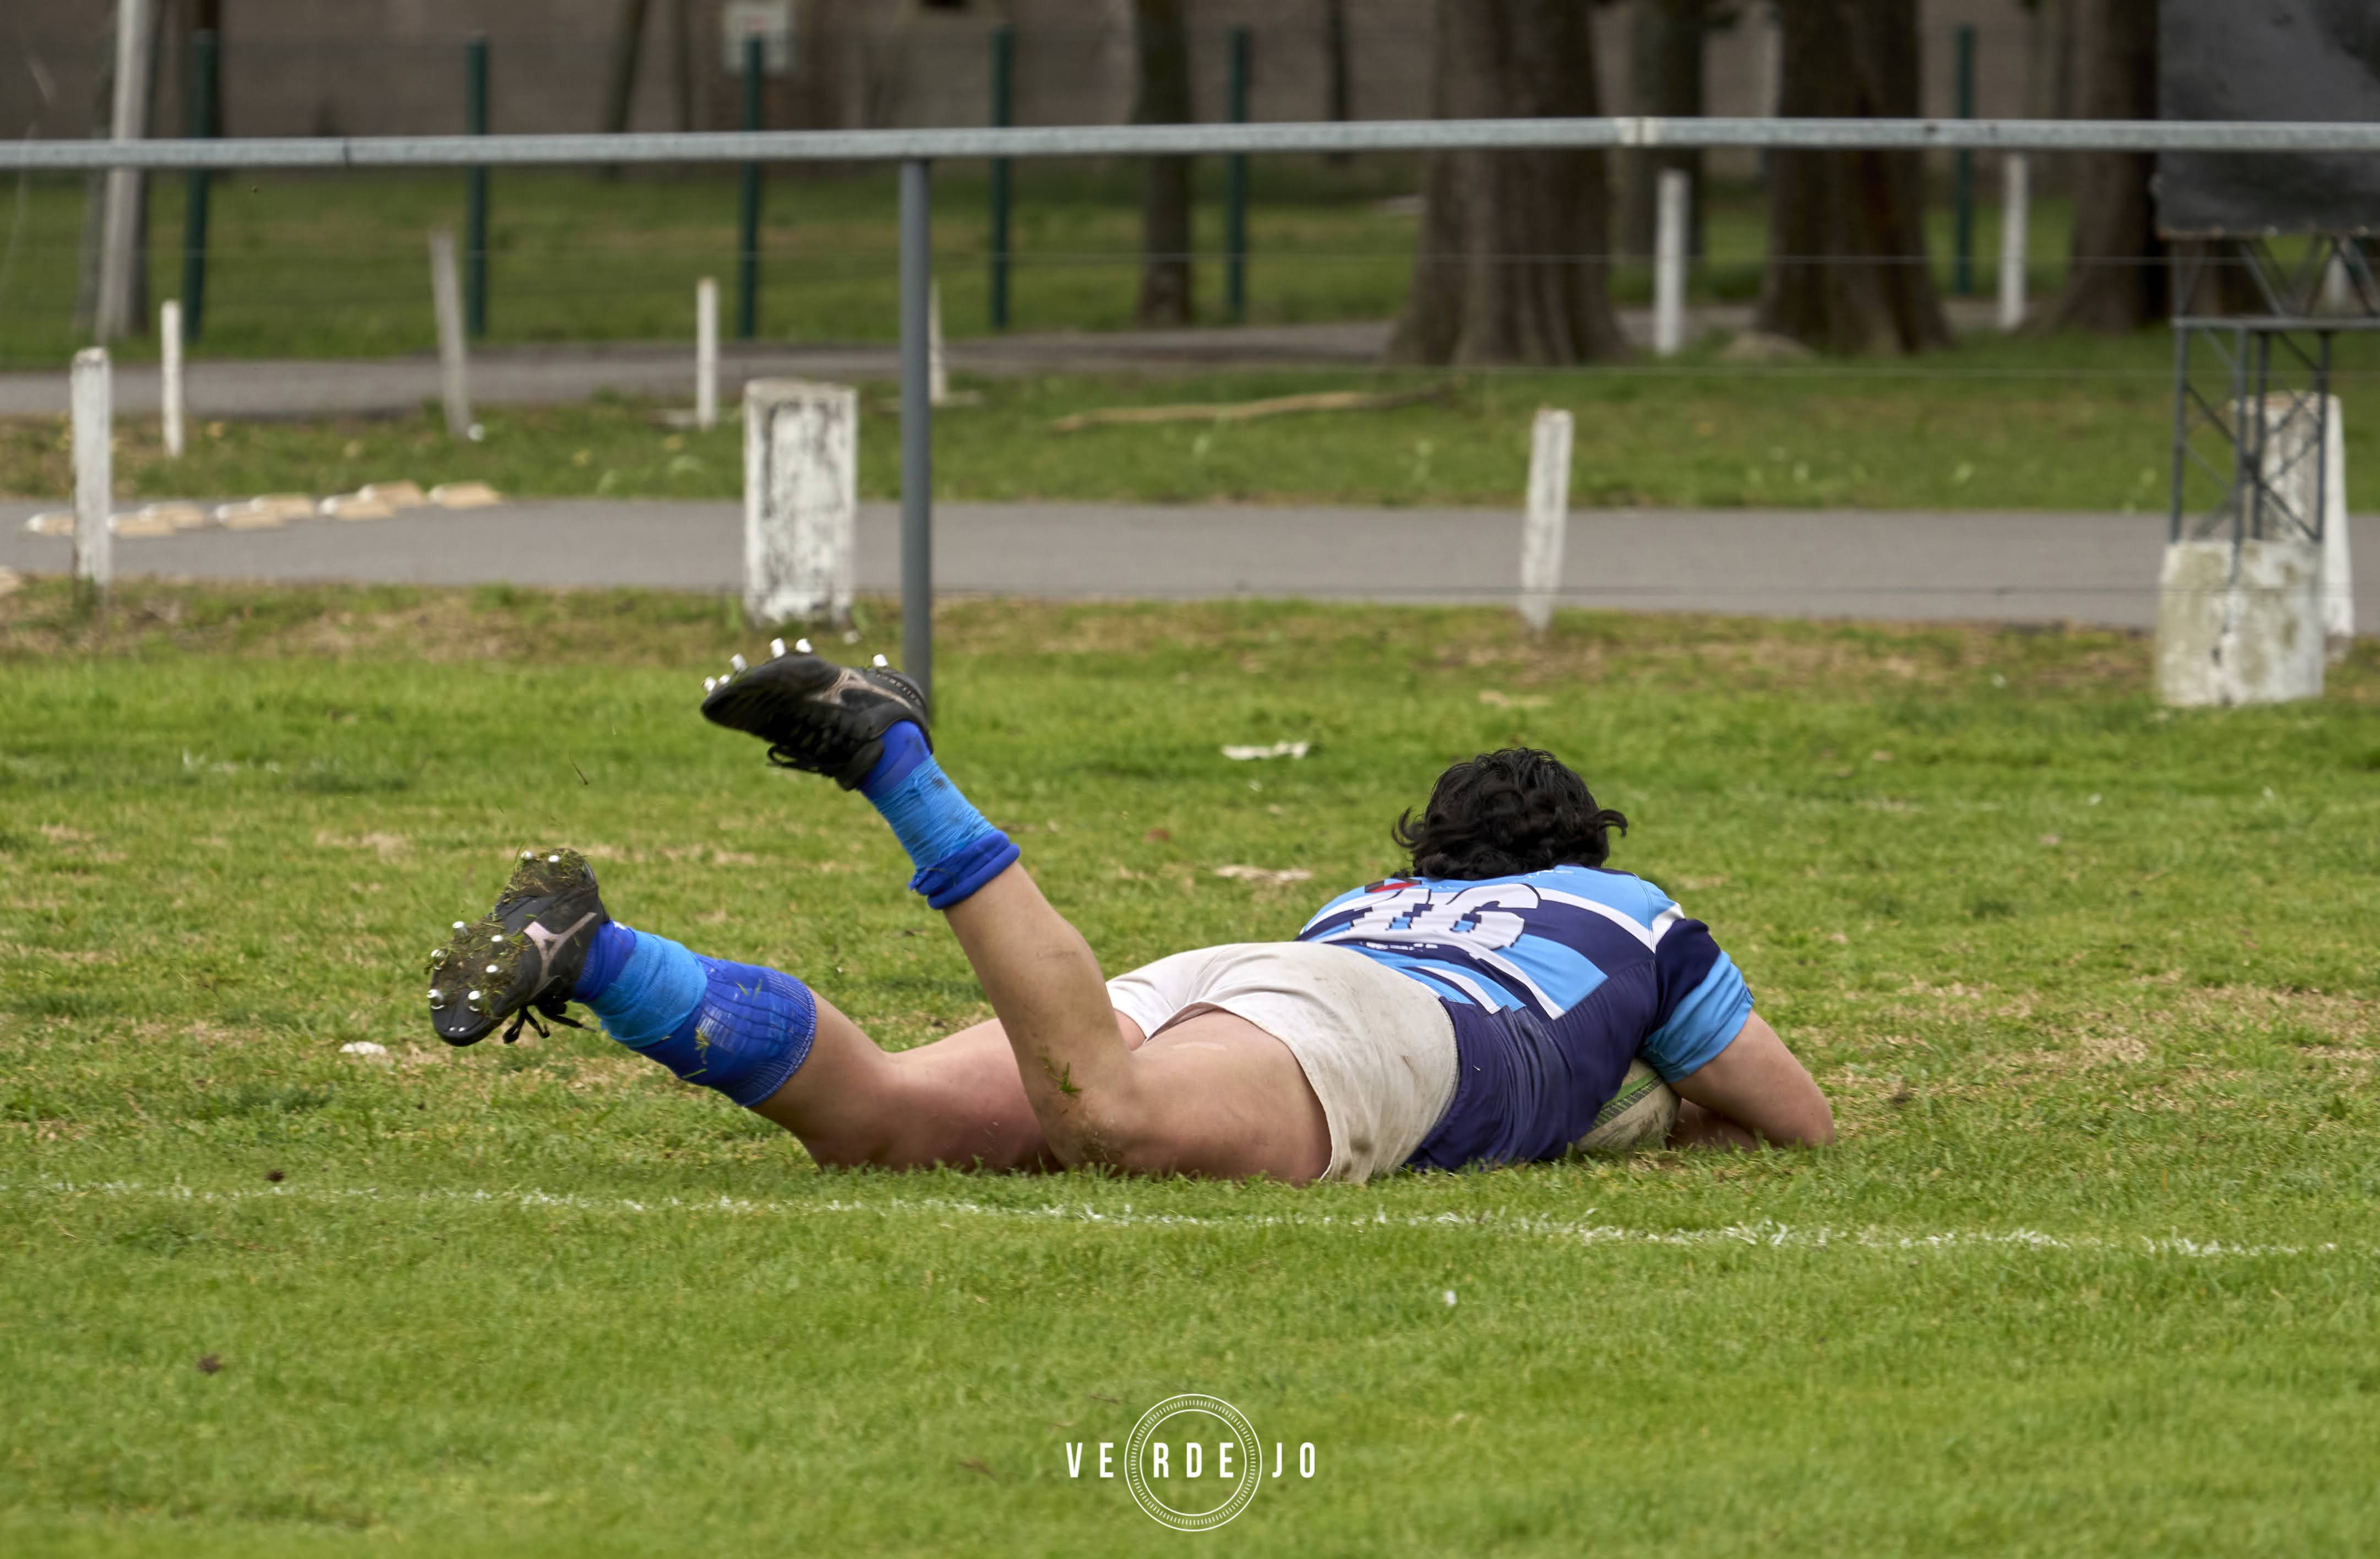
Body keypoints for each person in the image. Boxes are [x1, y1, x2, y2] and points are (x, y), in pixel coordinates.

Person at [422, 648, 1832, 1184]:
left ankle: (598, 954)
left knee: (883, 1125)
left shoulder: (1373, 899)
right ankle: (899, 767)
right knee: (1112, 1124)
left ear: (1431, 856)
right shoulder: (1633, 914)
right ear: (1578, 851)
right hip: (1400, 1034)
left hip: (1265, 975)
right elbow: (1793, 1120)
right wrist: (1648, 1114)